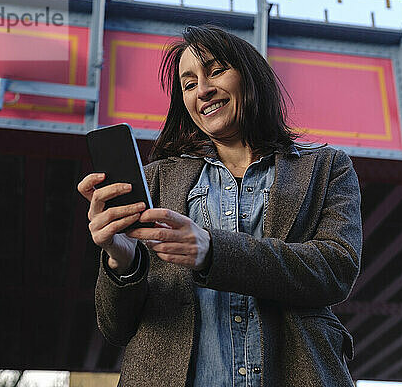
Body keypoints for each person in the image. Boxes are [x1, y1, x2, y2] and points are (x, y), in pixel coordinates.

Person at [77, 25, 362, 387]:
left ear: (251, 77)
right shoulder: (156, 180)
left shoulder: (326, 167)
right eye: (190, 83)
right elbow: (115, 328)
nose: (204, 90)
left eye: (215, 71)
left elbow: (336, 270)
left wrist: (213, 250)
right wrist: (122, 261)